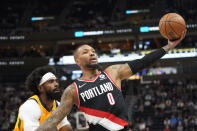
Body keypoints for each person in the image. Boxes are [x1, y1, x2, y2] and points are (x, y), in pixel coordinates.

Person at [36, 31, 186, 131]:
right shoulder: (73, 90)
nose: (92, 53)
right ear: (77, 61)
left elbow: (142, 61)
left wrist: (168, 47)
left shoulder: (112, 72)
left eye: (93, 51)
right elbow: (54, 118)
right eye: (86, 52)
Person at [13, 66, 72, 131]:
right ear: (40, 88)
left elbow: (66, 128)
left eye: (56, 81)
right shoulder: (30, 106)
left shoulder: (58, 105)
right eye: (51, 81)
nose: (56, 84)